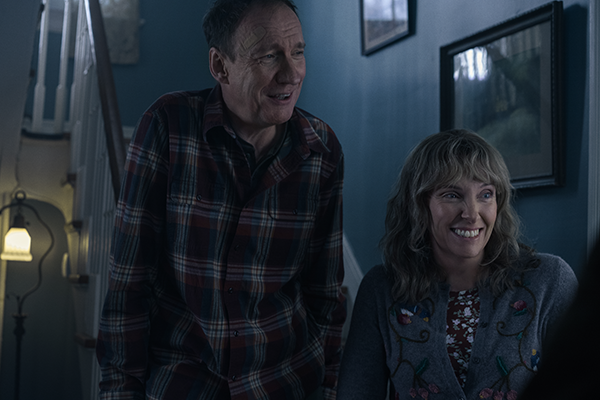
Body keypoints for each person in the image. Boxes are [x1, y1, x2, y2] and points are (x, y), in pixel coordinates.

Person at [95, 1, 345, 399]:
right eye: (269, 56)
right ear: (220, 66)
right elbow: (130, 283)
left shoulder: (322, 149)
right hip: (184, 382)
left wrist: (329, 389)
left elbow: (326, 294)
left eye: (298, 52)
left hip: (286, 382)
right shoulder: (167, 127)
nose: (292, 73)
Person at [337, 129, 577, 400]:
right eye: (452, 195)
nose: (472, 214)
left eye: (485, 194)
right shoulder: (382, 289)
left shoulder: (549, 280)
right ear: (419, 205)